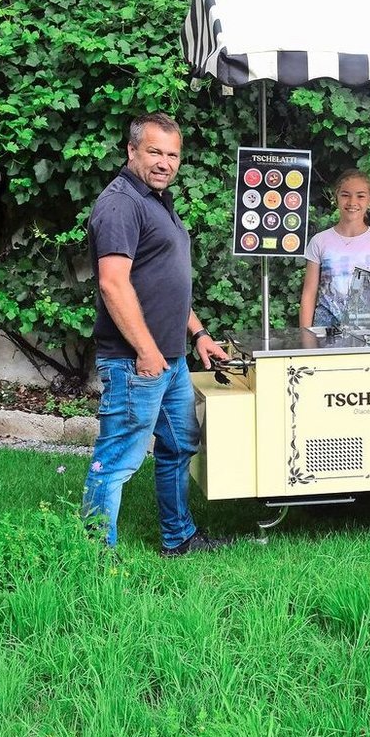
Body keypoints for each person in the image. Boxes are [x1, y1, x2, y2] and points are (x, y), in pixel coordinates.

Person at [82, 112, 233, 558]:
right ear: (132, 151)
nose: (165, 162)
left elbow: (161, 282)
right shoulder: (120, 204)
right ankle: (93, 558)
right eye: (154, 152)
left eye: (172, 154)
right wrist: (146, 351)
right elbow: (113, 282)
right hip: (137, 361)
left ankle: (178, 538)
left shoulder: (156, 201)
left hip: (170, 360)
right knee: (116, 461)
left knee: (178, 445)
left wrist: (198, 332)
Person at [300, 169, 370, 330]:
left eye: (360, 196)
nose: (352, 202)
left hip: (365, 332)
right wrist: (305, 336)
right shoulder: (319, 241)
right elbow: (309, 294)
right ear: (336, 197)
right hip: (324, 330)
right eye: (345, 195)